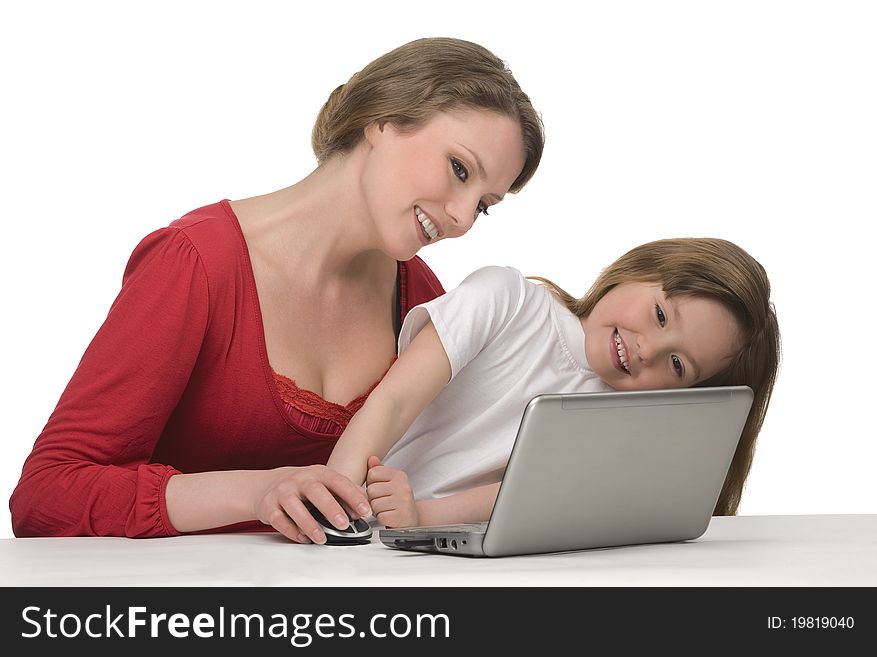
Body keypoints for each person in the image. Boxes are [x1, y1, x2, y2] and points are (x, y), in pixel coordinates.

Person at [9, 37, 545, 544]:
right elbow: (44, 494)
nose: (460, 218)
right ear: (384, 118)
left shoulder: (421, 300)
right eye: (458, 169)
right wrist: (258, 490)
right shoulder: (197, 264)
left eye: (483, 204)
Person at [326, 238, 780, 529]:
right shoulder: (508, 299)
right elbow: (393, 399)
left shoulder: (623, 425)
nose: (648, 350)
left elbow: (524, 493)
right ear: (639, 268)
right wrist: (335, 501)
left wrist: (423, 517)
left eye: (678, 364)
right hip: (364, 516)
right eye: (660, 315)